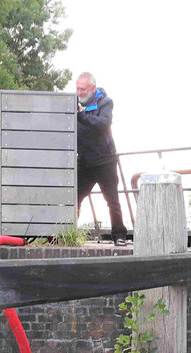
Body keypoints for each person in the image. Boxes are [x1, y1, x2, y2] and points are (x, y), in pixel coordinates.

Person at [75, 72, 128, 246]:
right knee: (74, 199)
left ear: (92, 88)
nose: (80, 92)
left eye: (83, 89)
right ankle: (68, 233)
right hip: (85, 162)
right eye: (77, 89)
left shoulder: (105, 102)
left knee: (112, 200)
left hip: (105, 161)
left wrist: (81, 116)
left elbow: (103, 123)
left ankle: (119, 235)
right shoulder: (73, 105)